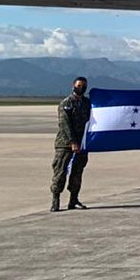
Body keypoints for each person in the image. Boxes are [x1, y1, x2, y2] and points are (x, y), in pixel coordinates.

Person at [50, 76, 91, 212]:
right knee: (60, 172)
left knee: (77, 173)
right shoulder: (66, 103)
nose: (81, 88)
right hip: (65, 144)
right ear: (73, 86)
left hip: (82, 143)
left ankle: (73, 200)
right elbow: (64, 124)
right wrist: (72, 142)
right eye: (78, 85)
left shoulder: (87, 103)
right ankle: (55, 200)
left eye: (83, 86)